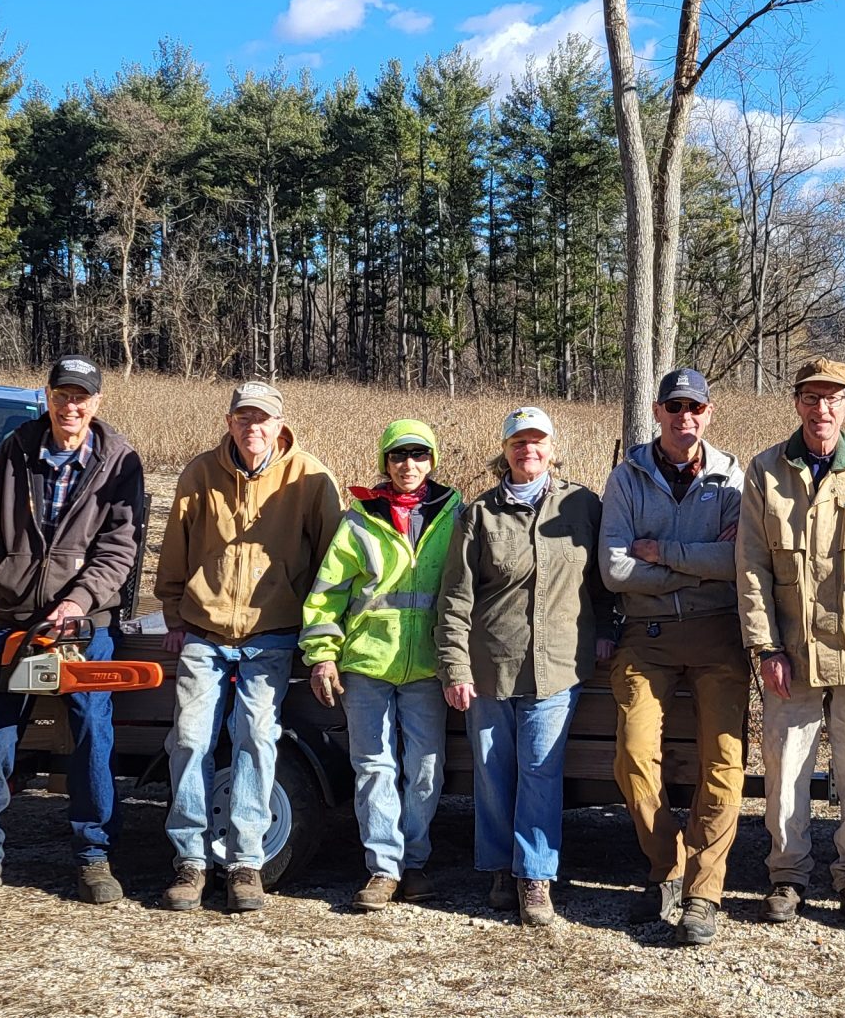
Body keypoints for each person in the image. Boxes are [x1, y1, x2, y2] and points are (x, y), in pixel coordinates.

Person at [0, 357, 149, 909]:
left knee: (91, 726)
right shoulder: (17, 448)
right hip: (15, 618)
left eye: (82, 397)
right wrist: (0, 579)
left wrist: (77, 602)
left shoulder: (119, 460)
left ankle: (94, 855)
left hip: (85, 625)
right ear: (48, 397)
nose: (71, 407)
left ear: (97, 403)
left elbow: (120, 548)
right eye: (62, 395)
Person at [153, 380, 342, 914]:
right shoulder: (200, 473)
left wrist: (322, 631)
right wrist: (173, 612)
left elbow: (334, 559)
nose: (251, 428)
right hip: (205, 629)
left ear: (279, 424)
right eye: (243, 418)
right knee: (189, 739)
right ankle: (190, 859)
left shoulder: (309, 476)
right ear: (230, 421)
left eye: (262, 419)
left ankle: (245, 864)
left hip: (273, 632)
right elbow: (174, 552)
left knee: (256, 738)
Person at [736, 356, 845, 932]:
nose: (822, 409)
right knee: (785, 766)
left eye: (834, 398)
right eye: (812, 398)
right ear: (797, 403)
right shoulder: (765, 471)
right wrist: (765, 648)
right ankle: (788, 876)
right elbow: (753, 568)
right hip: (790, 649)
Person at [438, 408, 611, 929]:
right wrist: (455, 667)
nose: (527, 450)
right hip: (490, 663)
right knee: (493, 772)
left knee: (540, 769)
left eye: (537, 442)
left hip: (558, 665)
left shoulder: (582, 505)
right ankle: (498, 869)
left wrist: (606, 630)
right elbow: (454, 598)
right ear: (506, 450)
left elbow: (603, 580)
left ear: (552, 449)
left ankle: (534, 876)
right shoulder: (478, 514)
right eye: (518, 442)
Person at [598, 366, 750, 948]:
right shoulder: (628, 476)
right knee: (634, 754)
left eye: (696, 408)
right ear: (658, 412)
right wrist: (694, 566)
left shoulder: (732, 476)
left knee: (724, 761)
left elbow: (735, 563)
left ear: (708, 414)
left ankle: (704, 892)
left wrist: (662, 554)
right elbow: (615, 571)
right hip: (648, 636)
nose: (685, 418)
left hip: (719, 633)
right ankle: (666, 865)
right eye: (675, 407)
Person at [304, 419, 462, 911]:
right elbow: (327, 595)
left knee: (425, 769)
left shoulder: (455, 516)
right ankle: (384, 869)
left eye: (418, 455)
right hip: (367, 664)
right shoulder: (359, 520)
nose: (408, 465)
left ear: (432, 461)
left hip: (426, 668)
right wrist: (322, 656)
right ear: (384, 463)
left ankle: (413, 859)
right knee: (373, 766)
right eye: (398, 456)